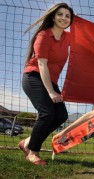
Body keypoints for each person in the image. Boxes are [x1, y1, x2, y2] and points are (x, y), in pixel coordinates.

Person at [18, 3, 74, 165]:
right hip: (34, 77)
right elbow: (42, 64)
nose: (64, 18)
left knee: (61, 115)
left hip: (51, 81)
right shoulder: (43, 35)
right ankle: (32, 152)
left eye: (67, 16)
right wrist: (51, 92)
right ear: (53, 16)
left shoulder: (68, 37)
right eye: (60, 14)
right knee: (47, 113)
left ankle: (27, 142)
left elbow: (86, 41)